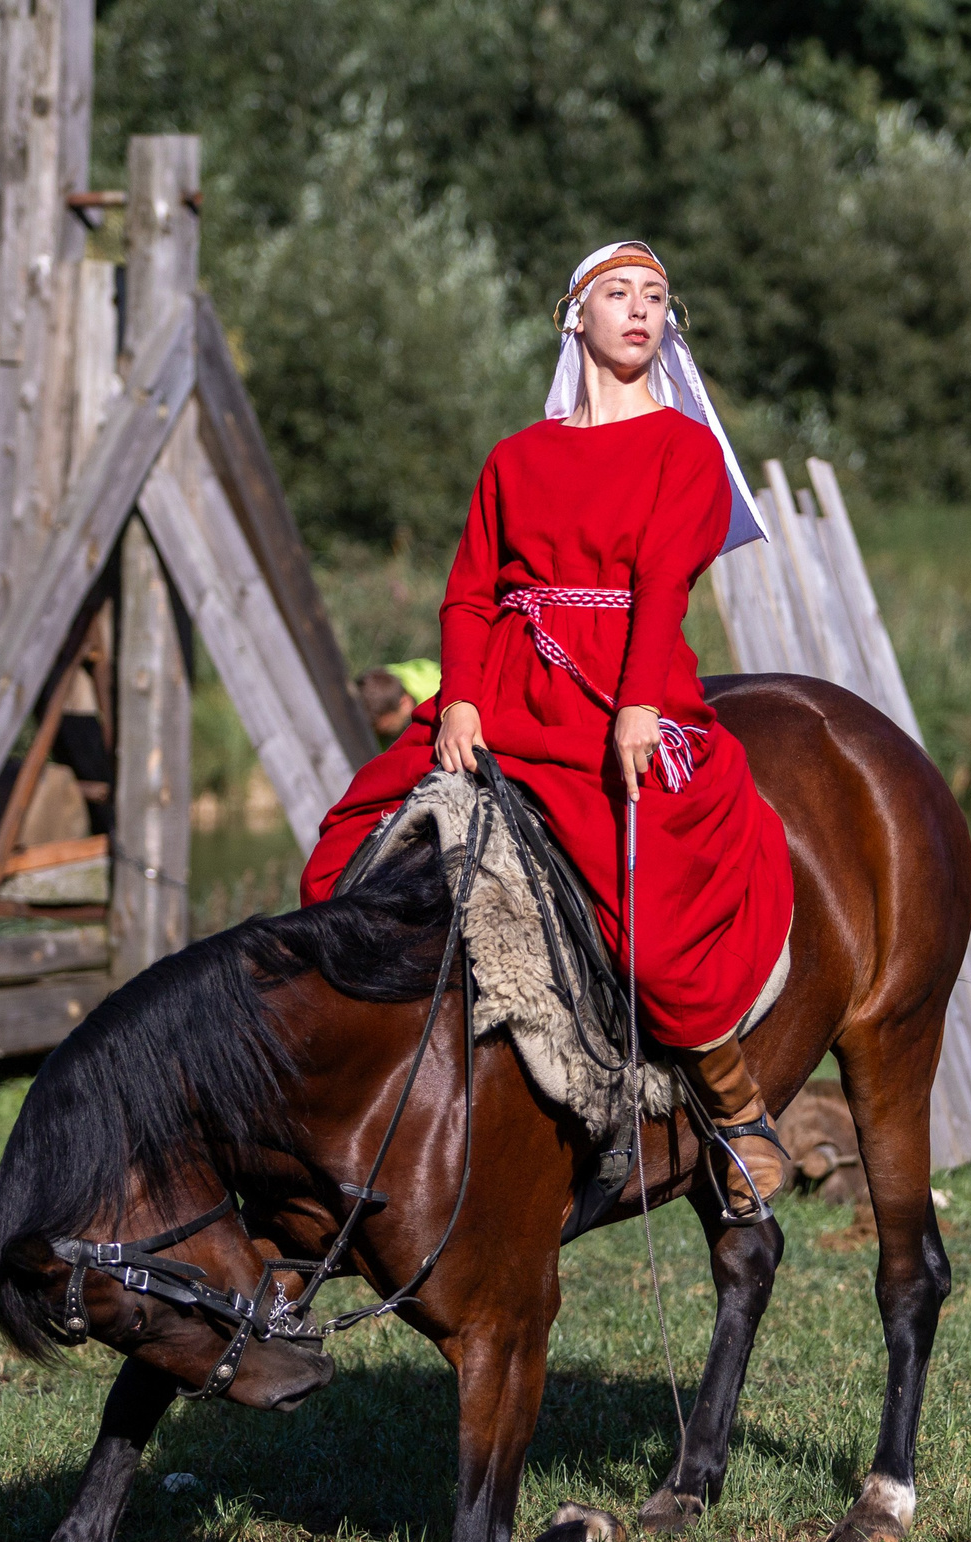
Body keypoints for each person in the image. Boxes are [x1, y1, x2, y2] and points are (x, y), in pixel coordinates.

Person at [300, 240, 796, 1220]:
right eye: (618, 295)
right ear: (577, 317)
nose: (641, 312)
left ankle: (733, 1109)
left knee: (655, 935)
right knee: (342, 855)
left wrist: (643, 702)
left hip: (627, 690)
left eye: (656, 297)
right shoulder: (517, 457)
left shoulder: (681, 445)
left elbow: (662, 580)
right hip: (509, 688)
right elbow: (473, 591)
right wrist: (464, 701)